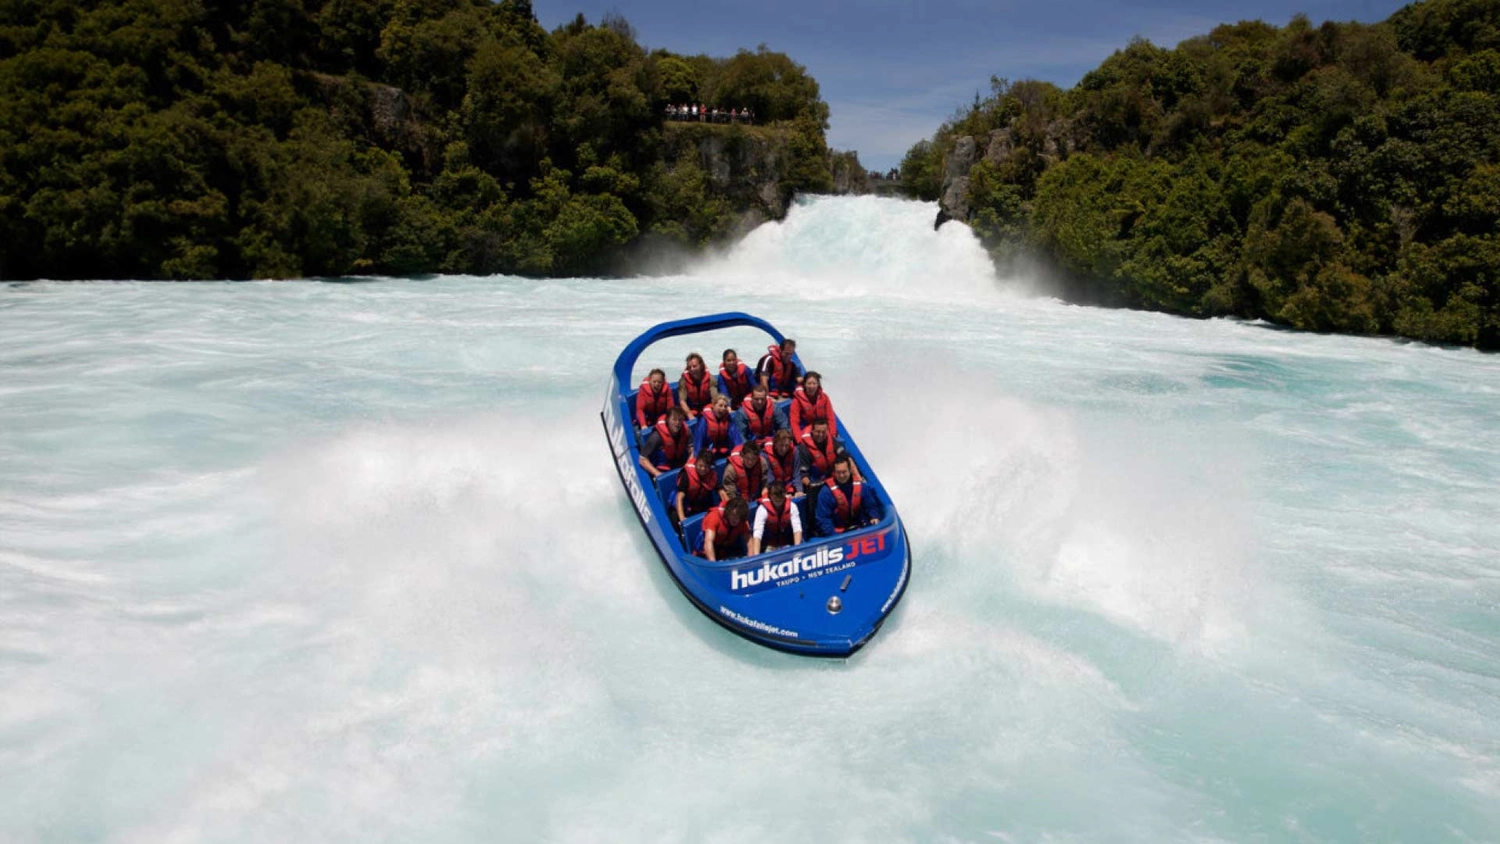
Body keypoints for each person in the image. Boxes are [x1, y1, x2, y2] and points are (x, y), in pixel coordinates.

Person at [816, 454, 883, 535]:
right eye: (838, 472)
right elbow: (823, 519)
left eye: (844, 472)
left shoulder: (862, 487)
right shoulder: (826, 492)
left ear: (850, 470)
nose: (841, 476)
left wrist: (874, 516)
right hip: (838, 533)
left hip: (860, 528)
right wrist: (835, 537)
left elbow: (871, 505)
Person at [750, 481, 803, 555]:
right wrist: (756, 556)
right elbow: (757, 534)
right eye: (775, 495)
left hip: (786, 543)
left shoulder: (792, 506)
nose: (778, 499)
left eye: (780, 495)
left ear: (784, 494)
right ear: (770, 495)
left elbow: (797, 529)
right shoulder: (762, 509)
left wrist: (798, 551)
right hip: (767, 545)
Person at [638, 407, 692, 477]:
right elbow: (642, 459)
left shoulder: (686, 431)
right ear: (668, 420)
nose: (677, 423)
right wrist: (657, 474)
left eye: (680, 420)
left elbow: (693, 449)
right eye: (674, 420)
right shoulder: (656, 437)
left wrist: (687, 466)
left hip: (680, 465)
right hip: (662, 470)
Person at [797, 419, 850, 490]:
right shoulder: (804, 449)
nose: (821, 435)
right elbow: (803, 474)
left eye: (823, 432)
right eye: (818, 432)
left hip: (834, 476)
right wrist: (811, 485)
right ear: (812, 431)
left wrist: (856, 476)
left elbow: (845, 456)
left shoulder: (830, 439)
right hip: (816, 481)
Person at [675, 450, 721, 527]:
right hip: (684, 503)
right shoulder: (686, 475)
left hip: (699, 502)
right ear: (696, 462)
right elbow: (679, 498)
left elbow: (722, 492)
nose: (702, 469)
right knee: (675, 519)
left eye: (706, 467)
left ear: (710, 467)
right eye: (700, 465)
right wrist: (682, 519)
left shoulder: (712, 475)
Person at [789, 370, 837, 439]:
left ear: (818, 385)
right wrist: (799, 440)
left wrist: (833, 434)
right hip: (806, 432)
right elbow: (794, 422)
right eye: (809, 383)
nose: (812, 386)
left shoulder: (824, 398)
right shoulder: (796, 401)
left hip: (822, 430)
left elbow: (830, 417)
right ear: (804, 385)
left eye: (814, 383)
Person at [694, 393, 739, 461]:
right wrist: (698, 459)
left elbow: (736, 437)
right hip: (707, 454)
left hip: (723, 451)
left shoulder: (727, 418)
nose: (723, 408)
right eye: (720, 405)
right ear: (713, 405)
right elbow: (698, 442)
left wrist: (739, 453)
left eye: (725, 406)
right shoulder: (704, 420)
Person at [762, 428, 799, 497]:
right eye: (781, 445)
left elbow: (796, 474)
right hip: (775, 490)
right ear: (775, 444)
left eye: (787, 445)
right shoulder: (765, 455)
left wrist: (799, 490)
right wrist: (782, 495)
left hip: (790, 487)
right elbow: (770, 478)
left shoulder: (795, 452)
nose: (784, 449)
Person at [678, 352, 715, 419]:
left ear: (701, 366)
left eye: (694, 366)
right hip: (691, 409)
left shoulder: (710, 378)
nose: (692, 369)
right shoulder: (683, 381)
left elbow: (714, 398)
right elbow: (682, 401)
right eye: (689, 367)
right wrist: (690, 415)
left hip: (707, 409)